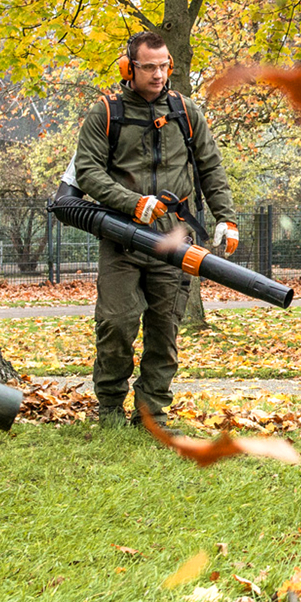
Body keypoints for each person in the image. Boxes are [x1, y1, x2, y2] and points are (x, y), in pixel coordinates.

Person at [70, 30, 238, 430]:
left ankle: (151, 415)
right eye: (149, 67)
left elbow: (211, 167)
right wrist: (133, 203)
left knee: (165, 331)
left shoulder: (185, 111)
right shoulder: (105, 113)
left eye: (164, 66)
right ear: (129, 68)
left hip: (175, 239)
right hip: (122, 237)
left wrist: (226, 218)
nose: (159, 74)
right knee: (116, 322)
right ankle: (109, 408)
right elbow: (87, 171)